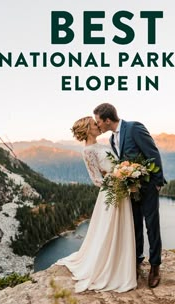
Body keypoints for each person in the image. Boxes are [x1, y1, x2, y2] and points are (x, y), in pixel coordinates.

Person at [56, 116, 137, 293]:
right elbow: (96, 179)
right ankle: (108, 267)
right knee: (109, 230)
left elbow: (112, 165)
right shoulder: (87, 151)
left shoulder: (103, 144)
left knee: (121, 229)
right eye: (94, 124)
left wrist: (124, 174)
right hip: (111, 192)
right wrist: (116, 180)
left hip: (120, 190)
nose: (98, 125)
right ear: (87, 129)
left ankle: (121, 264)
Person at [94, 103, 166, 288]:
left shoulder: (134, 128)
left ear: (107, 120)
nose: (98, 125)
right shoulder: (111, 139)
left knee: (152, 226)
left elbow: (152, 153)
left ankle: (155, 267)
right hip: (130, 190)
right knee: (134, 227)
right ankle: (136, 261)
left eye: (99, 121)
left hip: (148, 187)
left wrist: (157, 182)